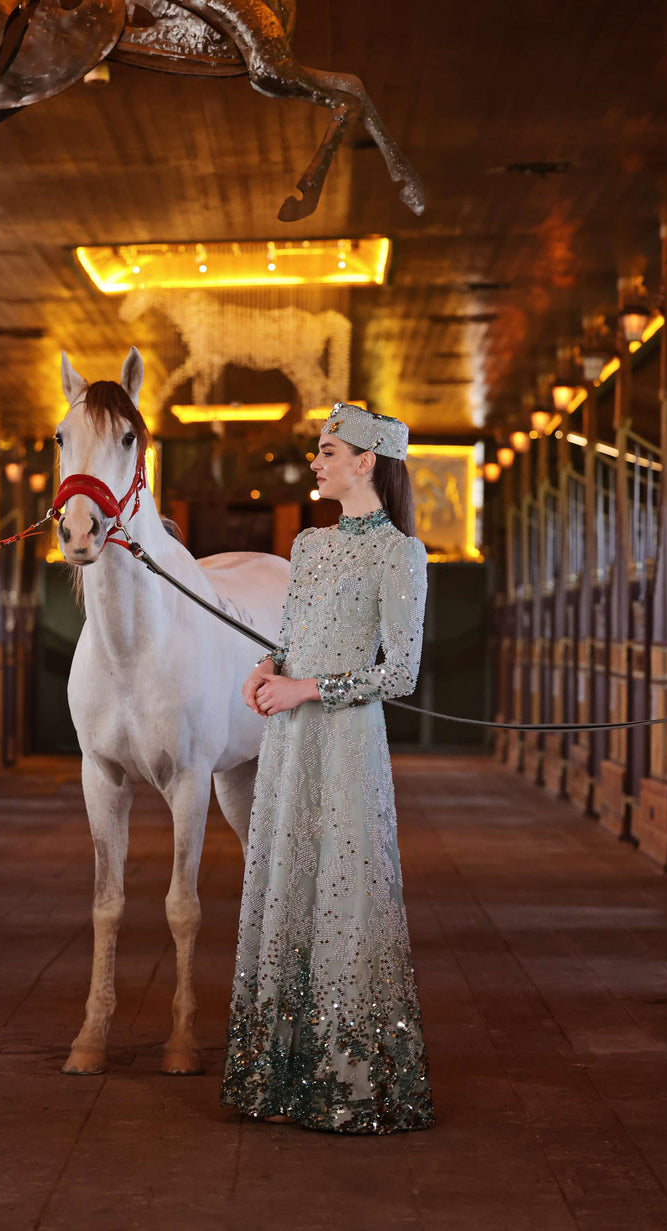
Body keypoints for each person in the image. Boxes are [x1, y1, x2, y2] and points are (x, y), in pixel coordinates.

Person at [220, 402, 434, 1134]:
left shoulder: (401, 553)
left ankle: (344, 1083)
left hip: (345, 741)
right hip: (290, 736)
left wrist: (305, 688)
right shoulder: (309, 545)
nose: (315, 461)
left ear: (366, 461)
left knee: (343, 885)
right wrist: (267, 667)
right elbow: (292, 637)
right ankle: (275, 1080)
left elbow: (400, 672)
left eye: (328, 450)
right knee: (286, 878)